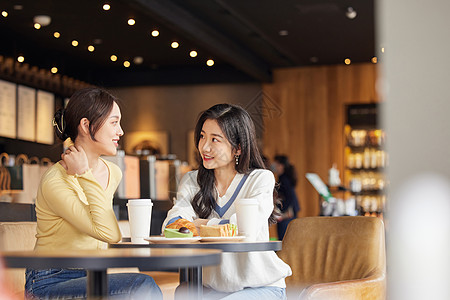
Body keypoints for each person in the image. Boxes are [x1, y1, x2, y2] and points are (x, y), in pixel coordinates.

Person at [25, 88, 162, 299]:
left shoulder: (112, 172)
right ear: (86, 125)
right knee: (141, 284)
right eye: (114, 122)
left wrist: (84, 174)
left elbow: (100, 223)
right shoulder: (55, 180)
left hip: (91, 274)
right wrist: (83, 173)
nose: (121, 132)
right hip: (48, 280)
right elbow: (110, 233)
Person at [162, 103, 292, 300]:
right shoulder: (192, 181)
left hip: (261, 288)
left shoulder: (260, 179)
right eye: (203, 136)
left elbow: (242, 228)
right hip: (211, 290)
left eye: (215, 140)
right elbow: (172, 224)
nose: (204, 146)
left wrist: (199, 225)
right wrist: (216, 227)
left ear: (238, 148)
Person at [272, 155, 300, 240]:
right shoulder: (283, 178)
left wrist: (281, 210)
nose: (274, 166)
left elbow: (290, 197)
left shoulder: (284, 179)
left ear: (281, 166)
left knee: (284, 241)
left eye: (276, 164)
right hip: (289, 215)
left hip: (287, 217)